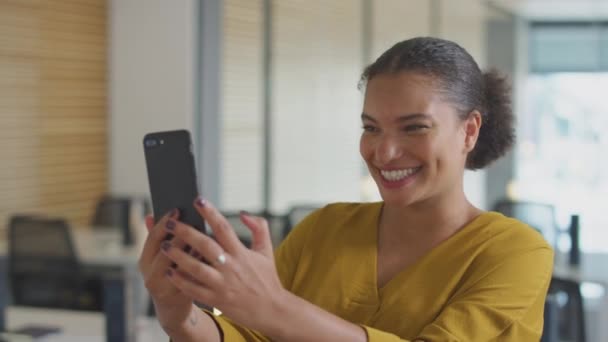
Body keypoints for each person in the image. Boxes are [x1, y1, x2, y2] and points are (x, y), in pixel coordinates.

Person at [138, 37, 554, 341]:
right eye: (371, 128)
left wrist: (275, 307)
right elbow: (250, 336)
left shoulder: (515, 253)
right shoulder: (324, 228)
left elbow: (272, 317)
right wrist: (180, 315)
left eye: (414, 127)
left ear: (469, 131)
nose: (384, 152)